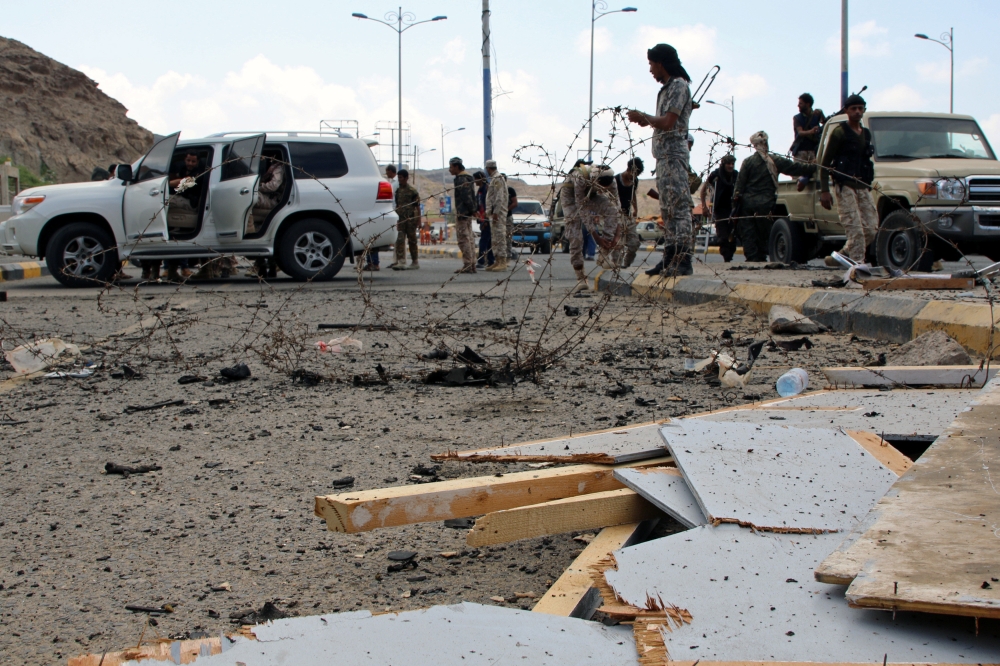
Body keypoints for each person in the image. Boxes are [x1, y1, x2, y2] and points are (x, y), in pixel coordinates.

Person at [627, 43, 695, 277]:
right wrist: (648, 120)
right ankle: (670, 258)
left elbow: (668, 122)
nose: (650, 70)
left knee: (678, 208)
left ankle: (683, 259)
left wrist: (645, 117)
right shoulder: (668, 89)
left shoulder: (677, 86)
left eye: (651, 64)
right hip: (664, 157)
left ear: (661, 63)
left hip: (674, 155)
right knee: (668, 209)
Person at [732, 131, 816, 262]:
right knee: (765, 233)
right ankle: (761, 257)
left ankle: (752, 260)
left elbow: (739, 187)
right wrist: (813, 167)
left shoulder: (748, 162)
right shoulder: (774, 161)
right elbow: (794, 168)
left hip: (748, 205)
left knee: (749, 234)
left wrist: (735, 207)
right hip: (766, 205)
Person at [819, 94, 877, 264]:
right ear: (846, 111)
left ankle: (842, 255)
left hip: (862, 185)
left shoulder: (865, 134)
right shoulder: (839, 132)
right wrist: (824, 190)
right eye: (854, 108)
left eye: (860, 108)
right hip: (844, 186)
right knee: (855, 229)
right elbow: (824, 163)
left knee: (871, 229)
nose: (858, 112)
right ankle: (857, 266)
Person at [575, 165, 623, 271]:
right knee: (573, 233)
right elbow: (581, 209)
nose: (603, 190)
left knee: (611, 208)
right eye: (601, 187)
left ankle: (604, 255)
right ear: (594, 180)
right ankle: (580, 276)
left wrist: (617, 234)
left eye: (606, 188)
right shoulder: (581, 179)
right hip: (572, 195)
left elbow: (617, 207)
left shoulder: (612, 181)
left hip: (591, 196)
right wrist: (596, 237)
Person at [247, 155, 284, 279]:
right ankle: (266, 265)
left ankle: (249, 228)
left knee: (248, 196)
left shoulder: (278, 168)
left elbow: (274, 186)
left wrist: (258, 188)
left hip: (273, 199)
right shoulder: (271, 167)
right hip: (271, 198)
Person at [560, 159, 591, 291]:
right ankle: (581, 277)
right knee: (576, 240)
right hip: (573, 211)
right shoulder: (574, 179)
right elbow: (578, 203)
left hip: (585, 207)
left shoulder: (587, 178)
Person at [701, 154, 739, 262]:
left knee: (733, 235)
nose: (730, 166)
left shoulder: (736, 175)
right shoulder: (716, 174)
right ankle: (726, 257)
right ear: (723, 164)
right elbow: (703, 190)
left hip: (733, 208)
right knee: (723, 236)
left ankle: (729, 255)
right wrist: (704, 206)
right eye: (728, 164)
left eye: (732, 164)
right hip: (720, 209)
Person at [448, 157, 478, 274]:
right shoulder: (469, 178)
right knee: (469, 238)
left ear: (456, 166)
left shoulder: (461, 179)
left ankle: (467, 264)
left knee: (463, 239)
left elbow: (467, 197)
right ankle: (472, 263)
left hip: (463, 213)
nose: (450, 170)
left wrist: (472, 209)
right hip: (468, 213)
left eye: (451, 167)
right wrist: (473, 210)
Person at [365, 165, 397, 270]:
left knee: (372, 241)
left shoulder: (379, 185)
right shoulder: (376, 185)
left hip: (374, 215)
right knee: (368, 241)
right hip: (369, 215)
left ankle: (374, 263)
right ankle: (371, 262)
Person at [790, 93, 825, 190]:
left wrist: (821, 114)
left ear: (808, 104)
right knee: (798, 177)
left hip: (814, 150)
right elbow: (800, 132)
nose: (798, 105)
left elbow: (825, 124)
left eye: (801, 103)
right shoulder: (797, 118)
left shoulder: (816, 115)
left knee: (816, 175)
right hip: (801, 151)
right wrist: (812, 131)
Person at [389, 168, 421, 270]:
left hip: (411, 220)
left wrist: (419, 220)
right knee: (399, 240)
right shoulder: (398, 191)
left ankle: (415, 261)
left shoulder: (412, 191)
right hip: (401, 219)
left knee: (412, 241)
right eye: (398, 178)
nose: (399, 180)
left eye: (401, 178)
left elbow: (417, 206)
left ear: (406, 178)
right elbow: (397, 205)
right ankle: (401, 261)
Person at [615, 157, 643, 267]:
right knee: (618, 243)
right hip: (616, 216)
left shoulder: (634, 181)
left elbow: (633, 194)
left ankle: (626, 263)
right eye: (633, 174)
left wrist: (635, 208)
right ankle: (616, 264)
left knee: (634, 243)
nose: (633, 177)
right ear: (628, 169)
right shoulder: (616, 180)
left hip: (628, 215)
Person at [484, 160, 509, 271]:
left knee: (499, 236)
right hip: (494, 213)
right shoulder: (494, 179)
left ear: (488, 168)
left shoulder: (497, 178)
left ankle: (502, 261)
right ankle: (497, 260)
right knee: (495, 238)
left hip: (497, 214)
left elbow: (499, 197)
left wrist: (496, 212)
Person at [474, 171, 492, 268]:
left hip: (486, 218)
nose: (474, 181)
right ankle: (490, 261)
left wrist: (486, 220)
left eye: (476, 179)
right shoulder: (480, 190)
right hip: (482, 218)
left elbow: (488, 205)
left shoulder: (486, 188)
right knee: (488, 240)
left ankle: (481, 261)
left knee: (484, 240)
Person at [505, 179, 518, 261]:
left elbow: (515, 203)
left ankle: (508, 255)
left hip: (507, 216)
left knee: (508, 236)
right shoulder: (495, 190)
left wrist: (506, 210)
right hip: (497, 217)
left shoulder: (509, 190)